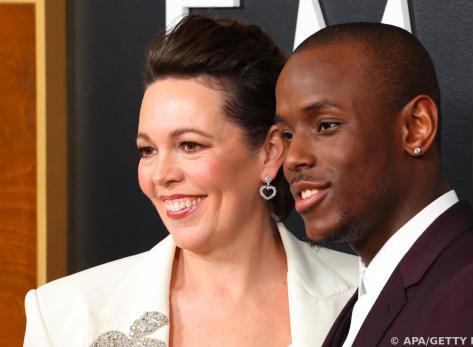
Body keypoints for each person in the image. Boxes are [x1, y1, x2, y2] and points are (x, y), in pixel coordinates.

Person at [23, 15, 357, 347]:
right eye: (148, 150)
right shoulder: (65, 315)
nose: (162, 175)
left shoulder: (365, 295)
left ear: (269, 152)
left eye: (190, 145)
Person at [274, 22, 473, 346]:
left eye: (326, 125)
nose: (293, 158)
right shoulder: (368, 297)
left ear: (416, 128)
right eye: (288, 134)